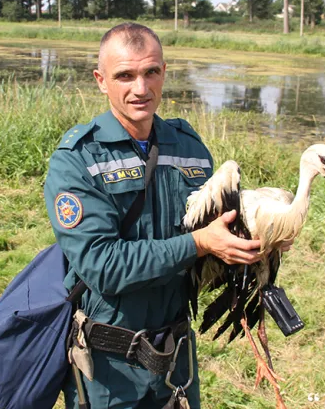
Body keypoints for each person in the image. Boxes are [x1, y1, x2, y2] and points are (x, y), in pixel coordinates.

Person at [44, 22, 262, 409]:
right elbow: (103, 266)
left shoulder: (190, 148)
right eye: (124, 75)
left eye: (150, 72)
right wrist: (198, 243)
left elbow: (212, 243)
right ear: (100, 80)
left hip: (177, 361)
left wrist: (259, 240)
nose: (140, 89)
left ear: (164, 72)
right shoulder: (78, 160)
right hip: (108, 370)